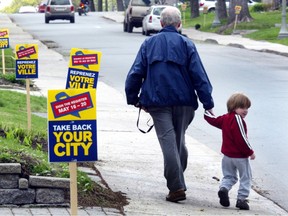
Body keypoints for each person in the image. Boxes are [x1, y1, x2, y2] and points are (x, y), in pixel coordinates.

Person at [125, 6, 214, 203]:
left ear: (162, 23)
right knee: (178, 141)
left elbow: (135, 73)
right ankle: (178, 180)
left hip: (158, 103)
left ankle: (176, 188)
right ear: (179, 24)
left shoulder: (149, 44)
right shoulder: (187, 44)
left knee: (169, 143)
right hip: (184, 103)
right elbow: (199, 75)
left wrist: (133, 98)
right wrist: (208, 103)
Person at [204, 93, 256, 210]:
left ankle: (224, 189)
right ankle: (241, 199)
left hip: (227, 156)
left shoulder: (225, 118)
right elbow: (242, 138)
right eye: (242, 107)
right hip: (240, 157)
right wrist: (250, 152)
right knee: (246, 177)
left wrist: (207, 111)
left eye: (247, 108)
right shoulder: (238, 119)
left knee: (229, 176)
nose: (246, 110)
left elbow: (213, 120)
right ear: (233, 107)